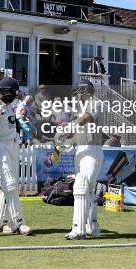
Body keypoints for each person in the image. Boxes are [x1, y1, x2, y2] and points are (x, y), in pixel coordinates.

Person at [52, 80, 103, 240]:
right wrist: (62, 139)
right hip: (81, 150)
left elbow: (83, 120)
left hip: (91, 150)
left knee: (81, 187)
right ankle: (92, 227)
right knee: (87, 190)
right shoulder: (80, 109)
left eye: (79, 92)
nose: (77, 95)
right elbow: (74, 132)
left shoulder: (95, 103)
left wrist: (69, 125)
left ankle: (79, 230)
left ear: (87, 90)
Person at [0, 77, 31, 235]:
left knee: (7, 186)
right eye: (13, 92)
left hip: (13, 146)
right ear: (4, 91)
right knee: (9, 184)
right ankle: (19, 223)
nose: (15, 95)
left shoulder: (9, 106)